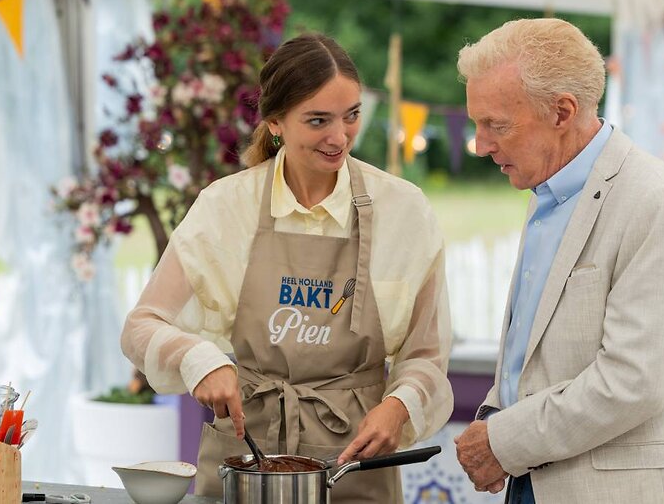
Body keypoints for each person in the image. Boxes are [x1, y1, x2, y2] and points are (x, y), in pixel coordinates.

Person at [121, 33, 453, 502]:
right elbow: (140, 326)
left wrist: (398, 407)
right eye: (318, 120)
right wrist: (202, 361)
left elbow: (426, 355)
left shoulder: (403, 210)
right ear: (275, 122)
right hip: (246, 460)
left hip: (355, 464)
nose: (340, 138)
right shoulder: (226, 206)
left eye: (352, 116)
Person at [452, 18, 664, 503]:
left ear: (562, 112)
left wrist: (504, 441)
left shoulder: (651, 198)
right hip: (534, 480)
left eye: (496, 124)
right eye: (478, 123)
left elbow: (633, 381)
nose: (481, 144)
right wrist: (495, 422)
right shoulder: (545, 194)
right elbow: (534, 360)